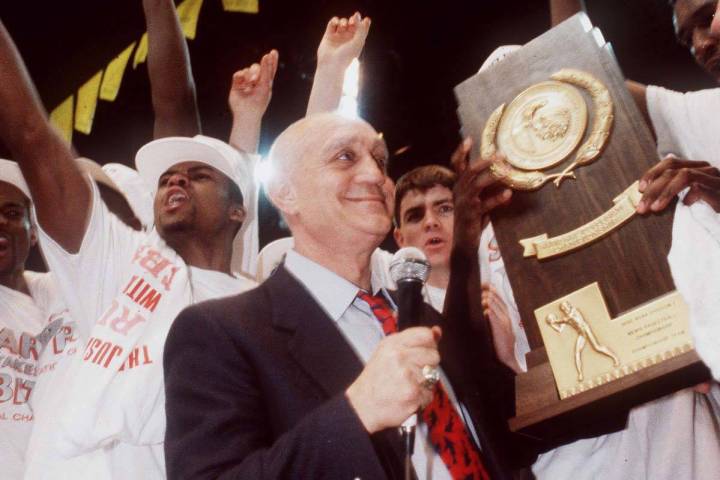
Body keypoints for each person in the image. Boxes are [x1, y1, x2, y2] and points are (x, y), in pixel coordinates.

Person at [163, 112, 531, 479]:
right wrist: (357, 413)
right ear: (285, 193)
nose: (376, 176)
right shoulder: (220, 333)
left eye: (380, 160)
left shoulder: (421, 319)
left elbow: (502, 439)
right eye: (345, 157)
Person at [0, 16, 282, 479]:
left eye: (198, 175)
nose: (176, 179)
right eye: (167, 177)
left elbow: (177, 107)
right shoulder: (121, 261)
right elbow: (32, 135)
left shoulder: (255, 306)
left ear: (238, 211)